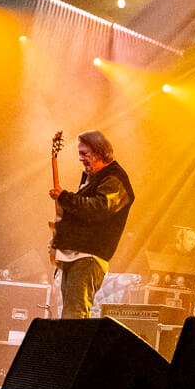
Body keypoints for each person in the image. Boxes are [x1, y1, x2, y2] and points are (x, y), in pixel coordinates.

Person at [51, 130, 135, 319]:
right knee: (69, 315)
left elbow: (97, 209)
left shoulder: (115, 179)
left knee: (74, 316)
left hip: (88, 257)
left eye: (84, 153)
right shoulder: (96, 178)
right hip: (78, 256)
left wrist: (65, 197)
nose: (80, 158)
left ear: (99, 152)